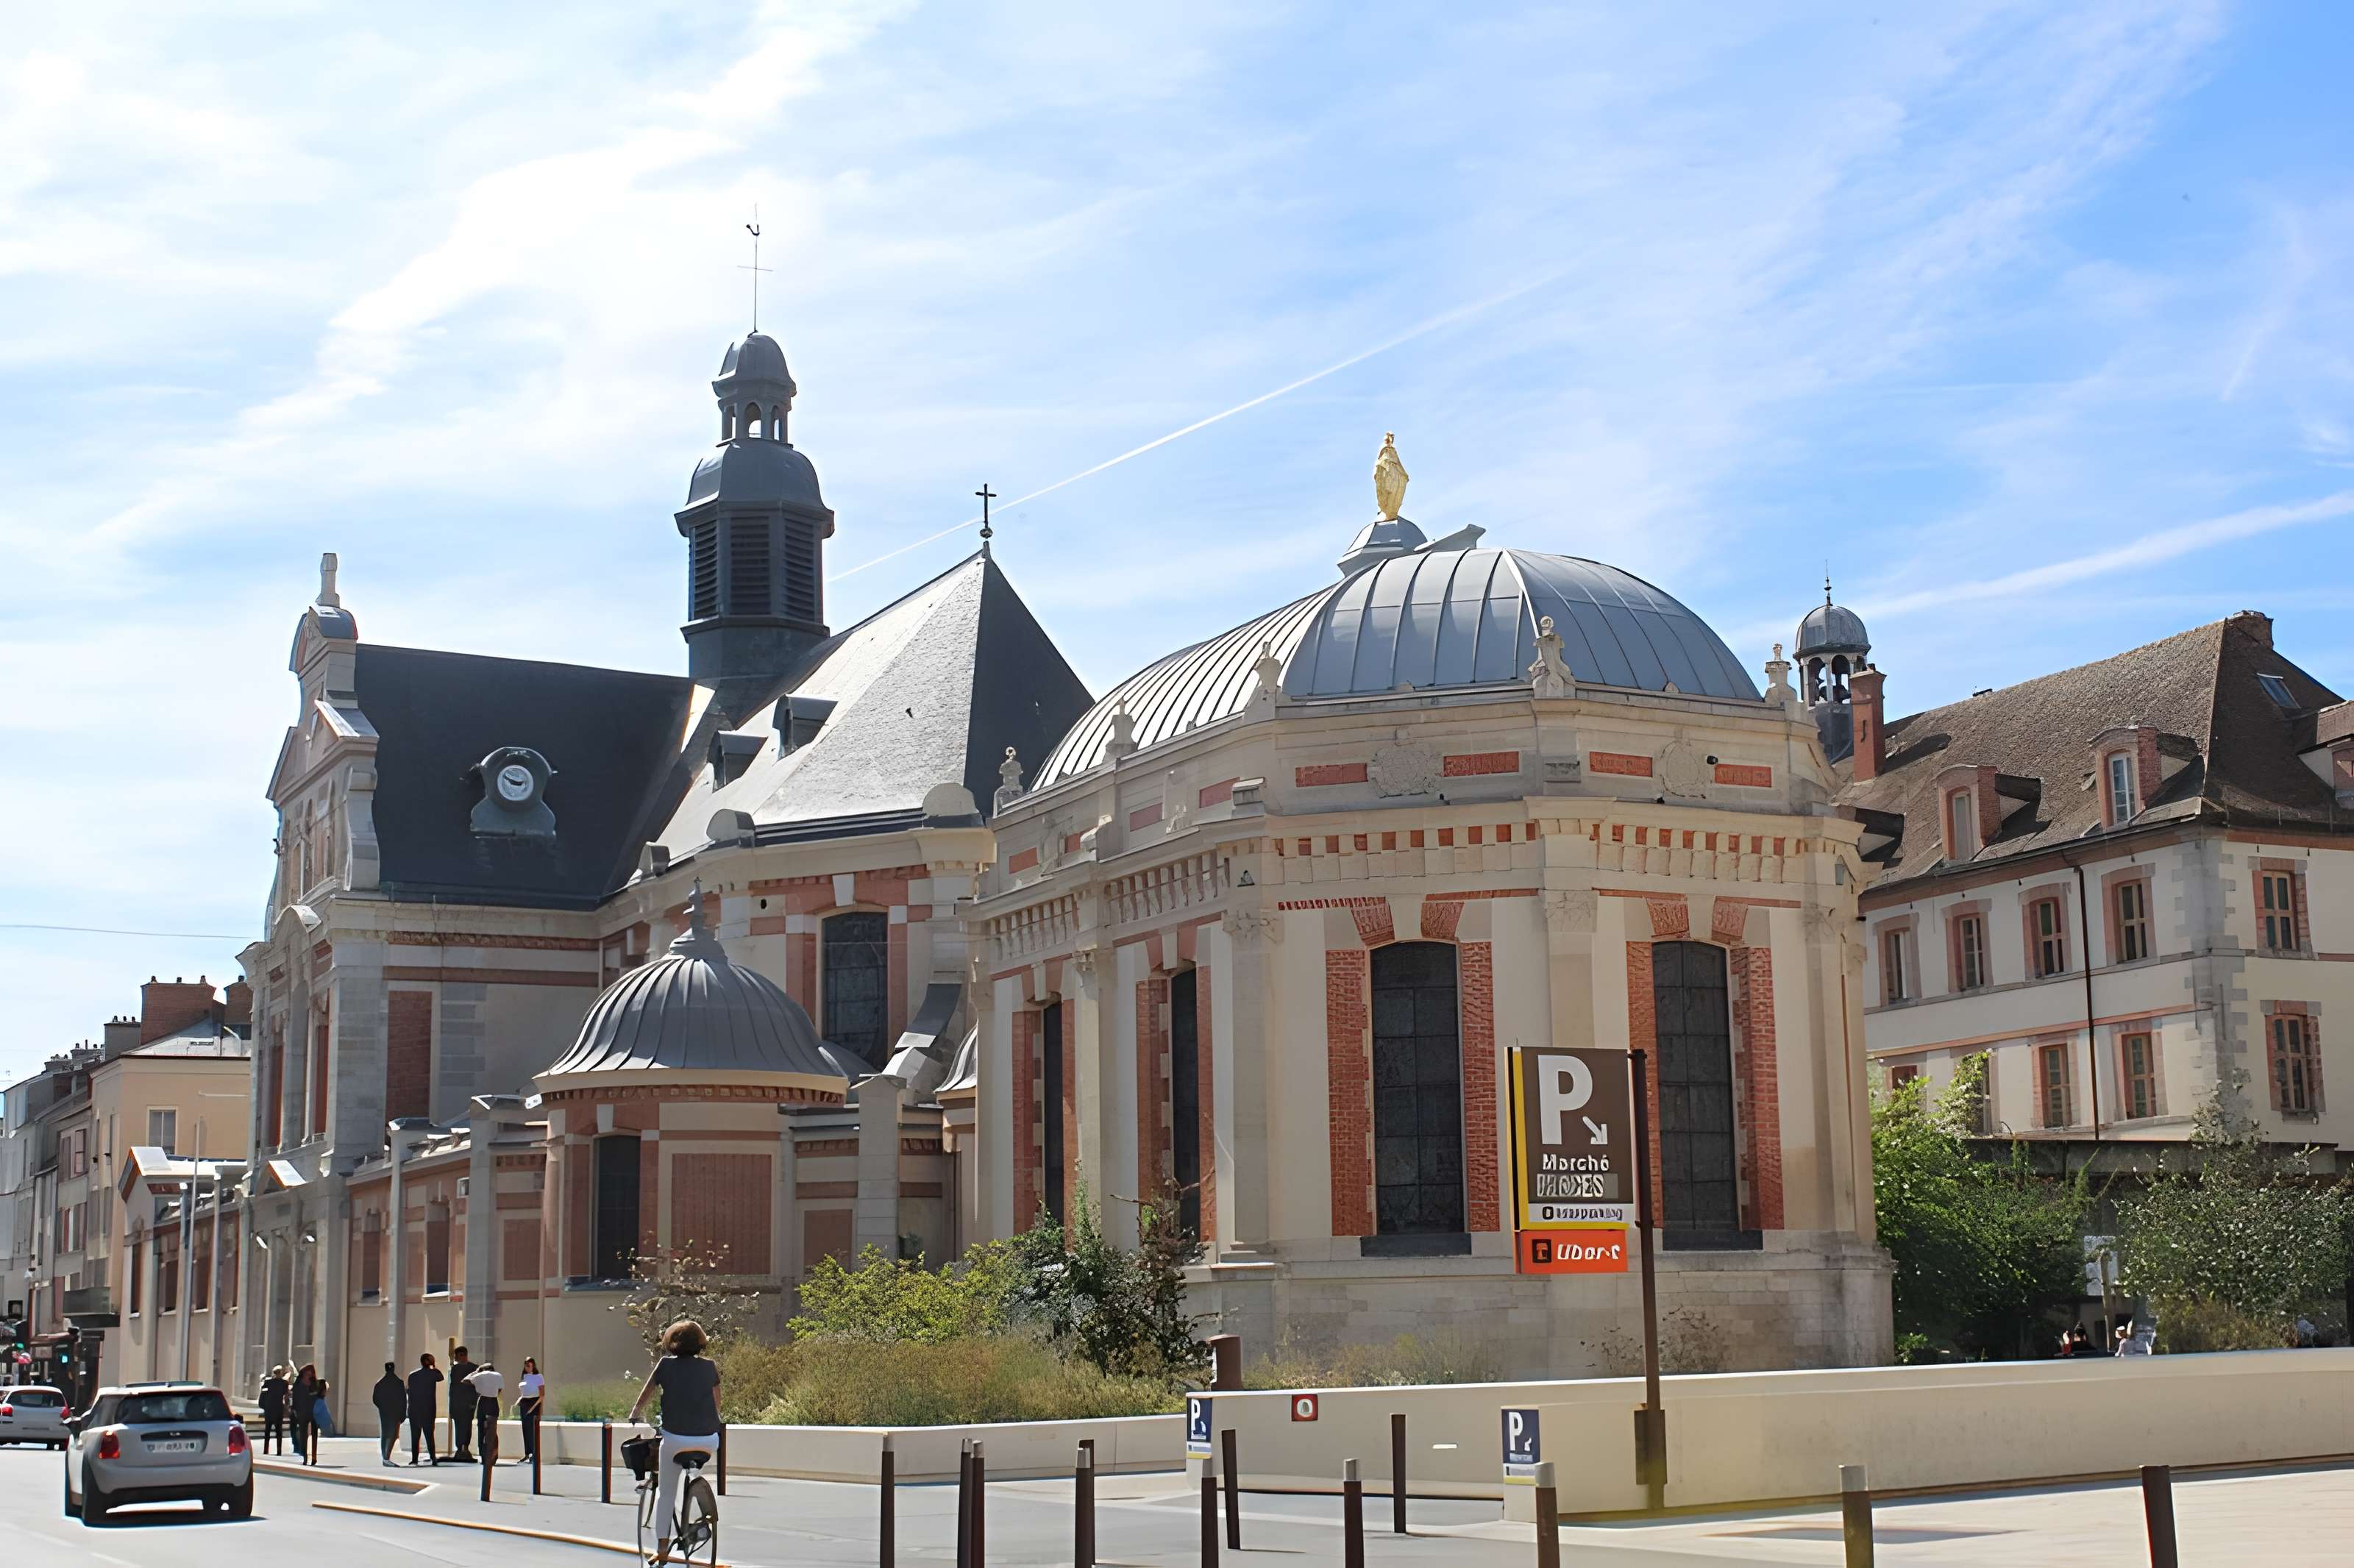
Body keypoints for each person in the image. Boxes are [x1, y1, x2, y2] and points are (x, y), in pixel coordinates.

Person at [628, 1319, 722, 1564]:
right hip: (709, 1440)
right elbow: (717, 1404)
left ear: (673, 1342)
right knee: (693, 1464)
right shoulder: (710, 1366)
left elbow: (647, 1392)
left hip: (674, 1440)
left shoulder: (665, 1365)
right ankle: (698, 1497)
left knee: (666, 1492)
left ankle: (662, 1548)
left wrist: (635, 1412)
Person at [406, 1352, 444, 1466]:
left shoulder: (412, 1375)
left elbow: (410, 1391)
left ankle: (414, 1459)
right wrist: (434, 1365)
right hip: (429, 1409)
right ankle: (433, 1458)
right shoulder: (433, 1374)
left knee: (415, 1436)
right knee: (429, 1435)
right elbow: (441, 1377)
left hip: (415, 1409)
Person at [465, 1361, 505, 1463]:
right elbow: (500, 1390)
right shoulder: (498, 1375)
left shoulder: (480, 1375)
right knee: (493, 1430)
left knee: (481, 1429)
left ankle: (484, 1456)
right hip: (493, 1402)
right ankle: (494, 1455)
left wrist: (476, 1372)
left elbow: (465, 1380)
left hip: (483, 1401)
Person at [447, 1345, 479, 1463]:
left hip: (468, 1403)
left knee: (466, 1426)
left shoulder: (474, 1368)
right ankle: (459, 1448)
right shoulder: (455, 1369)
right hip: (457, 1404)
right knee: (459, 1426)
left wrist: (473, 1402)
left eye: (457, 1356)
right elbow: (453, 1388)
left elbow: (476, 1387)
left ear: (463, 1355)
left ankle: (465, 1447)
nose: (456, 1359)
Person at [371, 1361, 407, 1466]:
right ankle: (387, 1456)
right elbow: (403, 1400)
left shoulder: (380, 1383)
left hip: (385, 1412)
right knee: (393, 1434)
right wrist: (403, 1413)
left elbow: (375, 1399)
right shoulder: (399, 1382)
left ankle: (385, 1456)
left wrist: (382, 1407)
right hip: (395, 1411)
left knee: (385, 1433)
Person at [516, 1357, 547, 1465]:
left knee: (533, 1430)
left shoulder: (539, 1377)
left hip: (534, 1403)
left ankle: (534, 1454)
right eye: (526, 1365)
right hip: (525, 1403)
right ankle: (527, 1453)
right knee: (525, 1429)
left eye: (529, 1364)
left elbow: (542, 1394)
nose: (527, 1367)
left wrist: (539, 1411)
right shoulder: (525, 1377)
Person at [290, 1364, 320, 1462]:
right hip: (302, 1411)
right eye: (307, 1372)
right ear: (303, 1373)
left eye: (310, 1372)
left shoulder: (314, 1383)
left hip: (314, 1412)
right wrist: (294, 1409)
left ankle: (314, 1456)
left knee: (314, 1434)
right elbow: (294, 1397)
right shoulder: (298, 1383)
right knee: (303, 1435)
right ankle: (305, 1455)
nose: (309, 1374)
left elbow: (319, 1396)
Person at [259, 1365, 291, 1455]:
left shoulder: (268, 1382)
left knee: (267, 1430)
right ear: (281, 1373)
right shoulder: (284, 1383)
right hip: (278, 1409)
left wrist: (264, 1405)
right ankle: (279, 1450)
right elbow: (286, 1395)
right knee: (279, 1431)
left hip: (269, 1409)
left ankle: (266, 1450)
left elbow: (263, 1392)